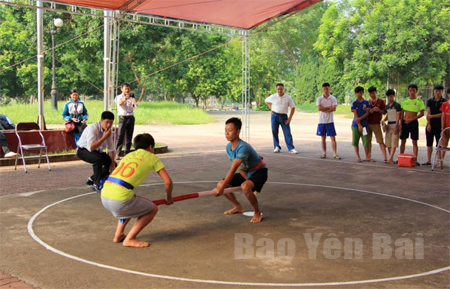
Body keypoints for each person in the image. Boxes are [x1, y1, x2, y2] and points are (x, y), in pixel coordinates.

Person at [101, 133, 173, 248]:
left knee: (131, 206)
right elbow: (168, 181)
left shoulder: (129, 155)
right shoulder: (152, 157)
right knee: (152, 209)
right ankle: (129, 239)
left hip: (105, 195)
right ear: (150, 147)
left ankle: (118, 235)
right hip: (120, 199)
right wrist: (169, 198)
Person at [213, 117, 268, 223]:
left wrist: (250, 183)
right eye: (225, 130)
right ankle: (238, 206)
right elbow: (240, 167)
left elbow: (233, 168)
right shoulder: (228, 147)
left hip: (260, 172)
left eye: (230, 130)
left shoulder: (243, 147)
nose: (227, 133)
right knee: (221, 184)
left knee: (245, 186)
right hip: (247, 172)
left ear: (238, 131)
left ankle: (257, 212)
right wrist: (222, 186)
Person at [77, 111, 116, 191]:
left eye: (111, 123)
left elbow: (111, 148)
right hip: (83, 150)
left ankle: (91, 179)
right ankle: (96, 183)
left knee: (112, 163)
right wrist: (104, 137)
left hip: (96, 151)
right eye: (107, 122)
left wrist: (112, 164)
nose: (109, 125)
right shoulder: (92, 128)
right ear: (101, 120)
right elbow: (91, 147)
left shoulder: (108, 131)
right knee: (98, 159)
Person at [264, 83, 298, 154]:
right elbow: (266, 101)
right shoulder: (273, 96)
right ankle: (276, 146)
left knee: (287, 132)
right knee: (274, 131)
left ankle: (291, 148)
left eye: (281, 89)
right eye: (278, 89)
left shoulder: (288, 97)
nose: (280, 90)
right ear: (276, 89)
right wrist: (271, 108)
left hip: (284, 116)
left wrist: (290, 118)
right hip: (274, 115)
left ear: (283, 89)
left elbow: (293, 107)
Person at [399, 84, 425, 166]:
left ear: (416, 91)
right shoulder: (404, 101)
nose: (412, 92)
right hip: (405, 122)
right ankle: (401, 157)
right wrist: (401, 124)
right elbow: (401, 113)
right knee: (403, 140)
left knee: (414, 141)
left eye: (413, 90)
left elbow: (421, 113)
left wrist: (412, 119)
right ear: (408, 91)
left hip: (413, 122)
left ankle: (415, 159)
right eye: (410, 90)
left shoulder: (419, 102)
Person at [423, 84, 446, 165]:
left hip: (439, 125)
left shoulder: (444, 102)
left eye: (439, 91)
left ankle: (439, 161)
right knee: (429, 143)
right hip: (431, 124)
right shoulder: (430, 101)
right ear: (434, 91)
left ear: (442, 92)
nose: (438, 92)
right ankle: (429, 160)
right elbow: (428, 113)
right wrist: (428, 124)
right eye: (436, 91)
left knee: (439, 143)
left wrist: (432, 116)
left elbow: (443, 114)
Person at [316, 83, 340, 159]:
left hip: (330, 121)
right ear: (322, 89)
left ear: (329, 89)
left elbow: (334, 108)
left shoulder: (333, 98)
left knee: (333, 138)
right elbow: (319, 108)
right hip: (321, 121)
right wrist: (329, 108)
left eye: (327, 89)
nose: (326, 90)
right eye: (324, 89)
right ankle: (324, 153)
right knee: (323, 138)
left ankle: (334, 153)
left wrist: (325, 108)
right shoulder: (319, 98)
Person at [116, 83, 138, 159]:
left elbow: (136, 106)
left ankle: (127, 153)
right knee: (120, 136)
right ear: (121, 89)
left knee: (129, 136)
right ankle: (117, 153)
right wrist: (125, 98)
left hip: (131, 117)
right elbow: (119, 103)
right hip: (123, 117)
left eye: (128, 88)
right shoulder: (118, 97)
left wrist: (133, 97)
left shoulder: (132, 97)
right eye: (125, 88)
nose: (127, 90)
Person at [367, 86, 387, 162]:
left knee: (380, 140)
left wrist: (378, 110)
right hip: (368, 122)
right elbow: (366, 112)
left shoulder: (381, 101)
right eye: (370, 93)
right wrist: (370, 111)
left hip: (376, 123)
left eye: (373, 92)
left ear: (376, 92)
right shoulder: (368, 102)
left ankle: (385, 157)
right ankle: (368, 156)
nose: (372, 94)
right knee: (368, 141)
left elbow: (384, 112)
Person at [351, 86, 371, 163]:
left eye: (361, 92)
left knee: (366, 141)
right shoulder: (354, 103)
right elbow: (355, 115)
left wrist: (361, 119)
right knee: (355, 141)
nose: (359, 94)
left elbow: (367, 113)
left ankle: (367, 156)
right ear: (356, 93)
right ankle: (358, 156)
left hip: (365, 125)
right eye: (358, 92)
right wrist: (359, 124)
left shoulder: (366, 102)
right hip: (356, 125)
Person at [383, 89, 402, 164]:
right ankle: (391, 156)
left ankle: (390, 158)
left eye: (391, 96)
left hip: (395, 124)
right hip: (389, 124)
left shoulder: (397, 105)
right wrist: (384, 120)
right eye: (388, 96)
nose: (389, 98)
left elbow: (398, 117)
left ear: (393, 96)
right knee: (388, 142)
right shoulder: (387, 106)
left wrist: (397, 126)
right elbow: (388, 115)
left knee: (394, 142)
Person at [437, 88, 450, 168]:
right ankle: (440, 161)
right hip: (446, 128)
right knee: (442, 145)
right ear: (448, 94)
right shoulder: (445, 104)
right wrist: (442, 128)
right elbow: (443, 117)